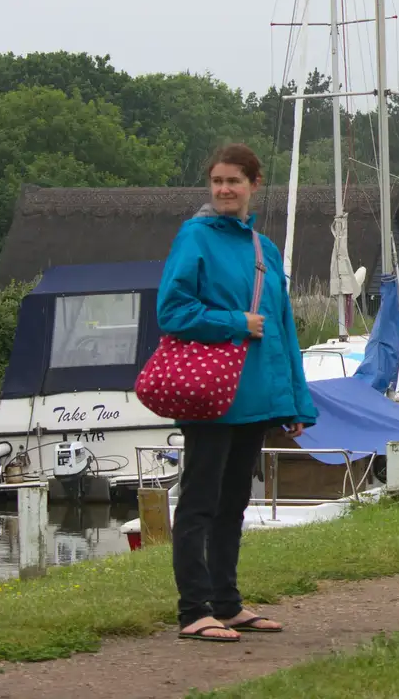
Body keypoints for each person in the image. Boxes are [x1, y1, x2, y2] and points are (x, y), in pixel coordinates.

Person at [157, 143, 318, 643]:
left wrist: (294, 401)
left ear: (254, 184)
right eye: (217, 182)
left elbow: (284, 331)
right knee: (199, 502)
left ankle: (227, 603)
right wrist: (234, 322)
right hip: (211, 394)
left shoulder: (263, 249)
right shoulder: (194, 238)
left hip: (253, 398)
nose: (224, 190)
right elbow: (173, 311)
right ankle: (193, 611)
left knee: (233, 505)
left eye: (234, 182)